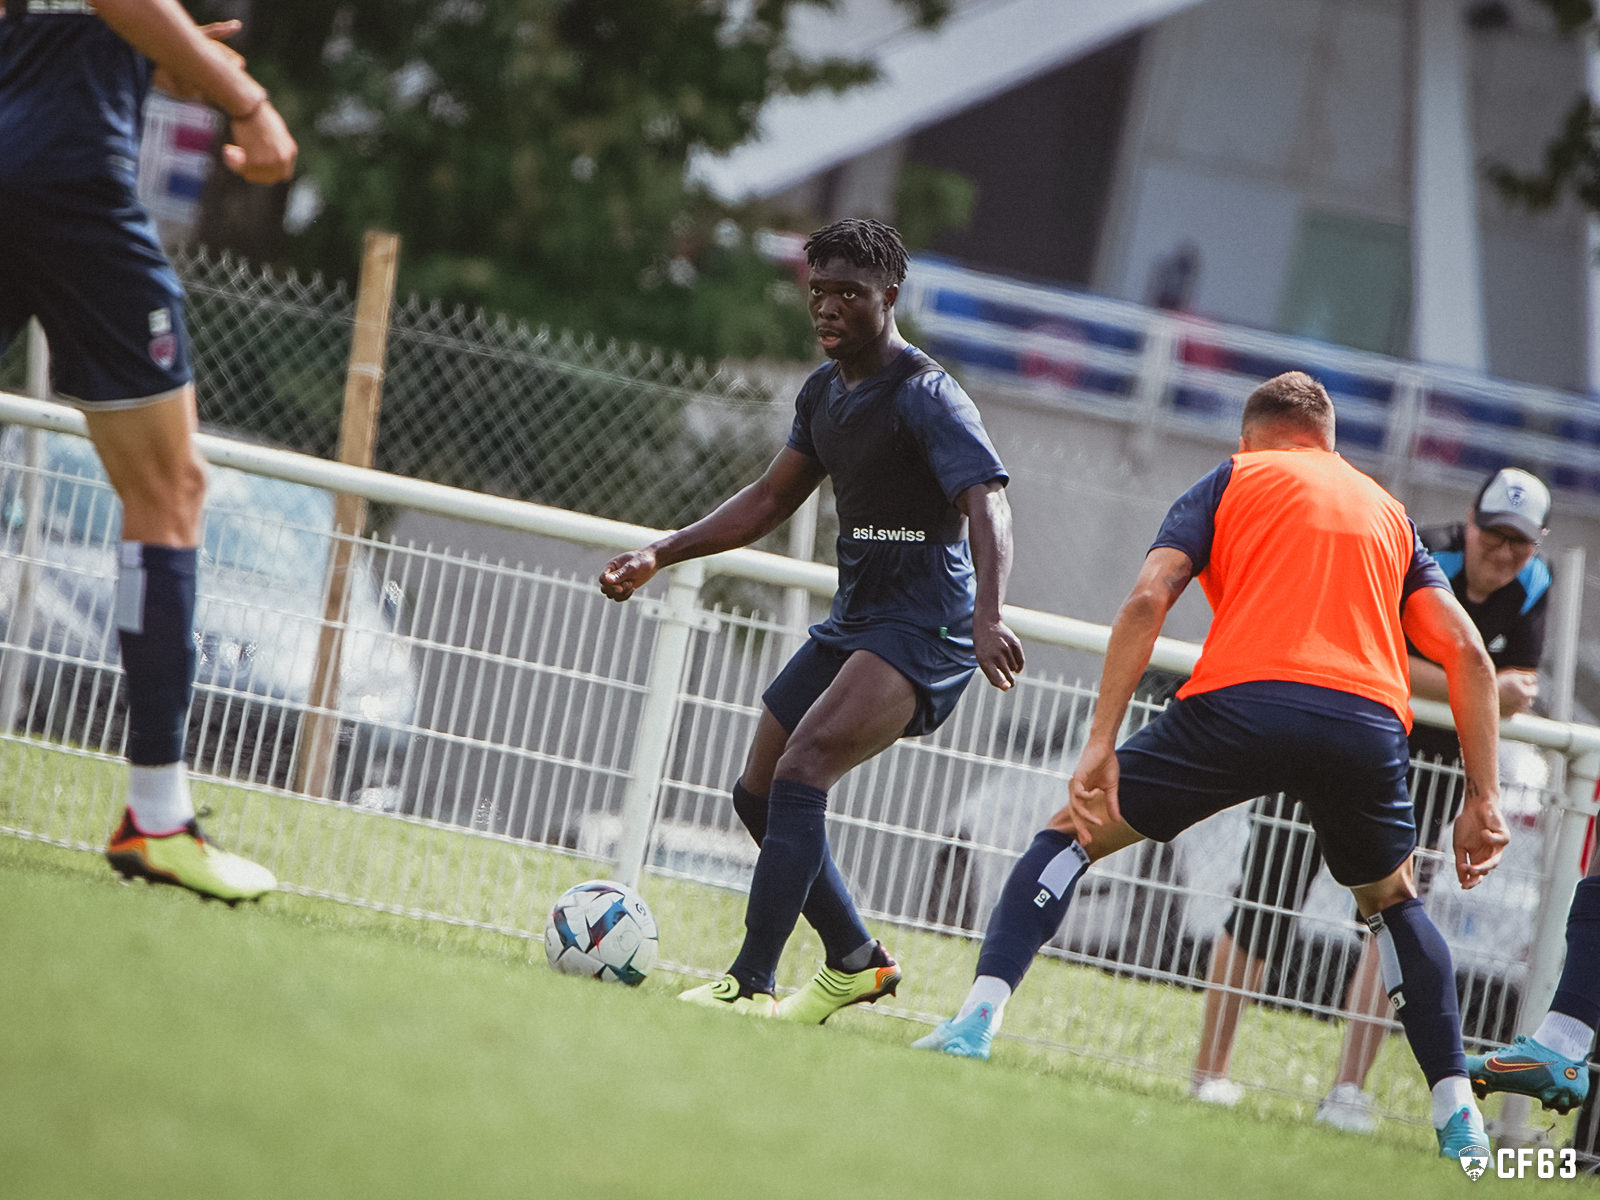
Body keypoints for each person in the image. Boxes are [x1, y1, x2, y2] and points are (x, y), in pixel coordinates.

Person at [913, 371, 1511, 1159]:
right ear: (1328, 442)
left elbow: (1148, 596)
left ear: (1250, 436)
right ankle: (1457, 1114)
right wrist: (1484, 795)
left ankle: (977, 1019)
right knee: (1394, 906)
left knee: (1070, 834)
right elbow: (1468, 653)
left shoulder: (1235, 477)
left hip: (1243, 704)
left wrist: (1100, 742)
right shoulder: (1389, 513)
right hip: (1365, 723)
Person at [599, 218, 1023, 1021]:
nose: (827, 309)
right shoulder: (825, 393)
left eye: (848, 295)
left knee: (803, 772)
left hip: (926, 627)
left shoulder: (926, 394)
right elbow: (766, 500)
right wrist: (662, 550)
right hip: (857, 619)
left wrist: (988, 615)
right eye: (817, 292)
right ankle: (856, 960)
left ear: (888, 298)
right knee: (758, 795)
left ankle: (750, 981)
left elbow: (987, 501)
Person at [0, 0, 296, 900]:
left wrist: (141, 58)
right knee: (169, 488)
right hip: (71, 180)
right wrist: (243, 98)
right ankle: (156, 818)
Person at [1190, 467, 1554, 1127]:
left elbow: (1520, 685)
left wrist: (1466, 687)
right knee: (1265, 898)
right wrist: (1471, 676)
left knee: (1392, 925)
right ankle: (1208, 1073)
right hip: (1334, 739)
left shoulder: (1535, 584)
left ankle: (1347, 1092)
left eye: (1521, 544)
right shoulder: (1415, 550)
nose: (1504, 554)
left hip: (1432, 772)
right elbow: (1373, 652)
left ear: (1539, 545)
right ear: (1469, 524)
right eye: (1494, 536)